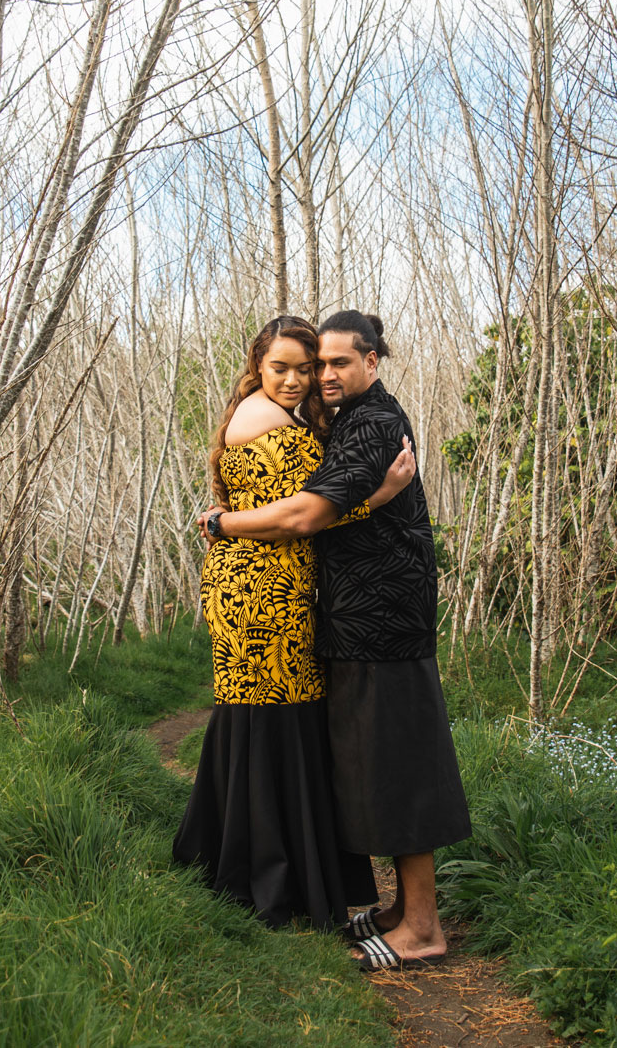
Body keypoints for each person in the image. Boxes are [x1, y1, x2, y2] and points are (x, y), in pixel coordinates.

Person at [197, 311, 469, 972]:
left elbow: (307, 512)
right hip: (353, 619)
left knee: (400, 765)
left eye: (334, 362)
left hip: (383, 622)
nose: (319, 376)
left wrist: (222, 520)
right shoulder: (340, 420)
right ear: (259, 364)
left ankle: (422, 927)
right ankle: (400, 911)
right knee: (373, 762)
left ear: (374, 361)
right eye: (312, 365)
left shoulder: (372, 423)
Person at [172, 315, 416, 929]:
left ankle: (263, 869)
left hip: (274, 583)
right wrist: (380, 497)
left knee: (275, 715)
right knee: (270, 716)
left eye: (304, 369)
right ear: (257, 365)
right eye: (279, 367)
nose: (293, 379)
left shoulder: (290, 418)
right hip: (259, 588)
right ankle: (265, 880)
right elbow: (301, 516)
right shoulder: (265, 417)